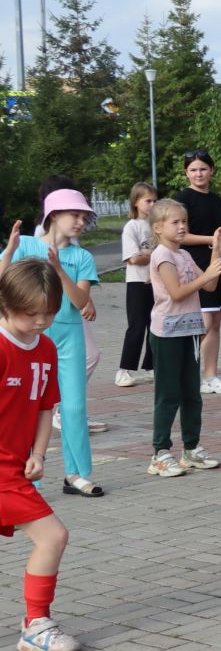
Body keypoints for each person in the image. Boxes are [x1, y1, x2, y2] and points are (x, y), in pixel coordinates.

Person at [1, 258, 79, 651]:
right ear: (6, 304)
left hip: (14, 465)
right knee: (54, 535)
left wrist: (38, 453)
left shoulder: (46, 348)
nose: (41, 322)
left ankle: (34, 623)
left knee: (52, 536)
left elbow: (46, 407)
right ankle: (36, 623)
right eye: (30, 314)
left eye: (49, 313)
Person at [9, 190, 105, 497]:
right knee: (28, 407)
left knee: (74, 407)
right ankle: (28, 477)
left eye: (84, 217)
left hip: (68, 336)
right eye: (74, 215)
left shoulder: (82, 257)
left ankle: (76, 474)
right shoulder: (25, 245)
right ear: (53, 215)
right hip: (27, 338)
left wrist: (59, 269)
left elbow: (80, 301)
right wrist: (9, 252)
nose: (80, 222)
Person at [145, 198, 221, 479]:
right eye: (175, 222)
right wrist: (206, 278)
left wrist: (216, 252)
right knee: (168, 394)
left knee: (192, 394)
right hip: (167, 332)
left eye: (184, 222)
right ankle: (160, 452)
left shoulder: (184, 255)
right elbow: (177, 292)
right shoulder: (162, 256)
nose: (182, 227)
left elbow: (211, 284)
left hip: (190, 330)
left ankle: (191, 448)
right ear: (158, 228)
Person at [175, 151, 221, 395]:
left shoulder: (215, 199)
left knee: (215, 321)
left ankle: (210, 375)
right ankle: (189, 375)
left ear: (211, 171)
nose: (198, 173)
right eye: (193, 169)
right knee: (202, 322)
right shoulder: (182, 199)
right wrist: (214, 240)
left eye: (203, 168)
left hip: (219, 262)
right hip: (196, 265)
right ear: (186, 173)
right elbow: (180, 235)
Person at [115, 183, 158, 388]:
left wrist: (149, 255)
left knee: (155, 325)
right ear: (136, 202)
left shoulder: (156, 226)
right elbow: (133, 258)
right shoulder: (132, 226)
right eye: (147, 201)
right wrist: (151, 254)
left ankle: (151, 366)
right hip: (137, 282)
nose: (152, 204)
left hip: (156, 282)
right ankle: (124, 370)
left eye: (154, 201)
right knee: (137, 326)